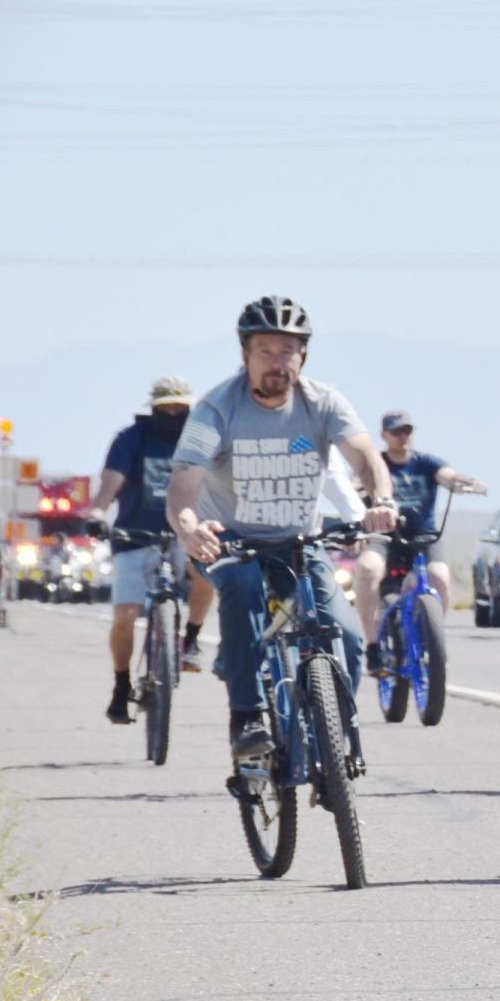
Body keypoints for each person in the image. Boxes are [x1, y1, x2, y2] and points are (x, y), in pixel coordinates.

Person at [166, 295, 396, 759]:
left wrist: (383, 500)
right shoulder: (216, 409)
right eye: (266, 351)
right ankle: (247, 717)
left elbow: (365, 457)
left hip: (299, 542)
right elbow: (183, 486)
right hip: (230, 539)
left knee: (346, 635)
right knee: (244, 587)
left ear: (303, 356)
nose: (278, 362)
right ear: (245, 355)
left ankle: (334, 736)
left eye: (288, 351)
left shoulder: (324, 402)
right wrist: (188, 527)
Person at [88, 376, 218, 723]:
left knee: (205, 569)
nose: (173, 412)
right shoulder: (132, 439)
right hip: (136, 534)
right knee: (125, 615)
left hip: (187, 532)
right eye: (166, 407)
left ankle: (189, 639)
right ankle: (121, 684)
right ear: (153, 409)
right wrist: (98, 513)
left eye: (180, 407)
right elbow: (111, 482)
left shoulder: (200, 439)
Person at [354, 411, 486, 675]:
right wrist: (354, 492)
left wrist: (465, 482)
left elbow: (447, 475)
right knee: (368, 569)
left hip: (422, 536)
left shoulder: (426, 462)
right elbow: (356, 482)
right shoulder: (376, 464)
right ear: (384, 435)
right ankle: (372, 648)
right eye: (396, 431)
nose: (403, 437)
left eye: (407, 431)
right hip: (384, 536)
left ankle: (432, 638)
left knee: (439, 577)